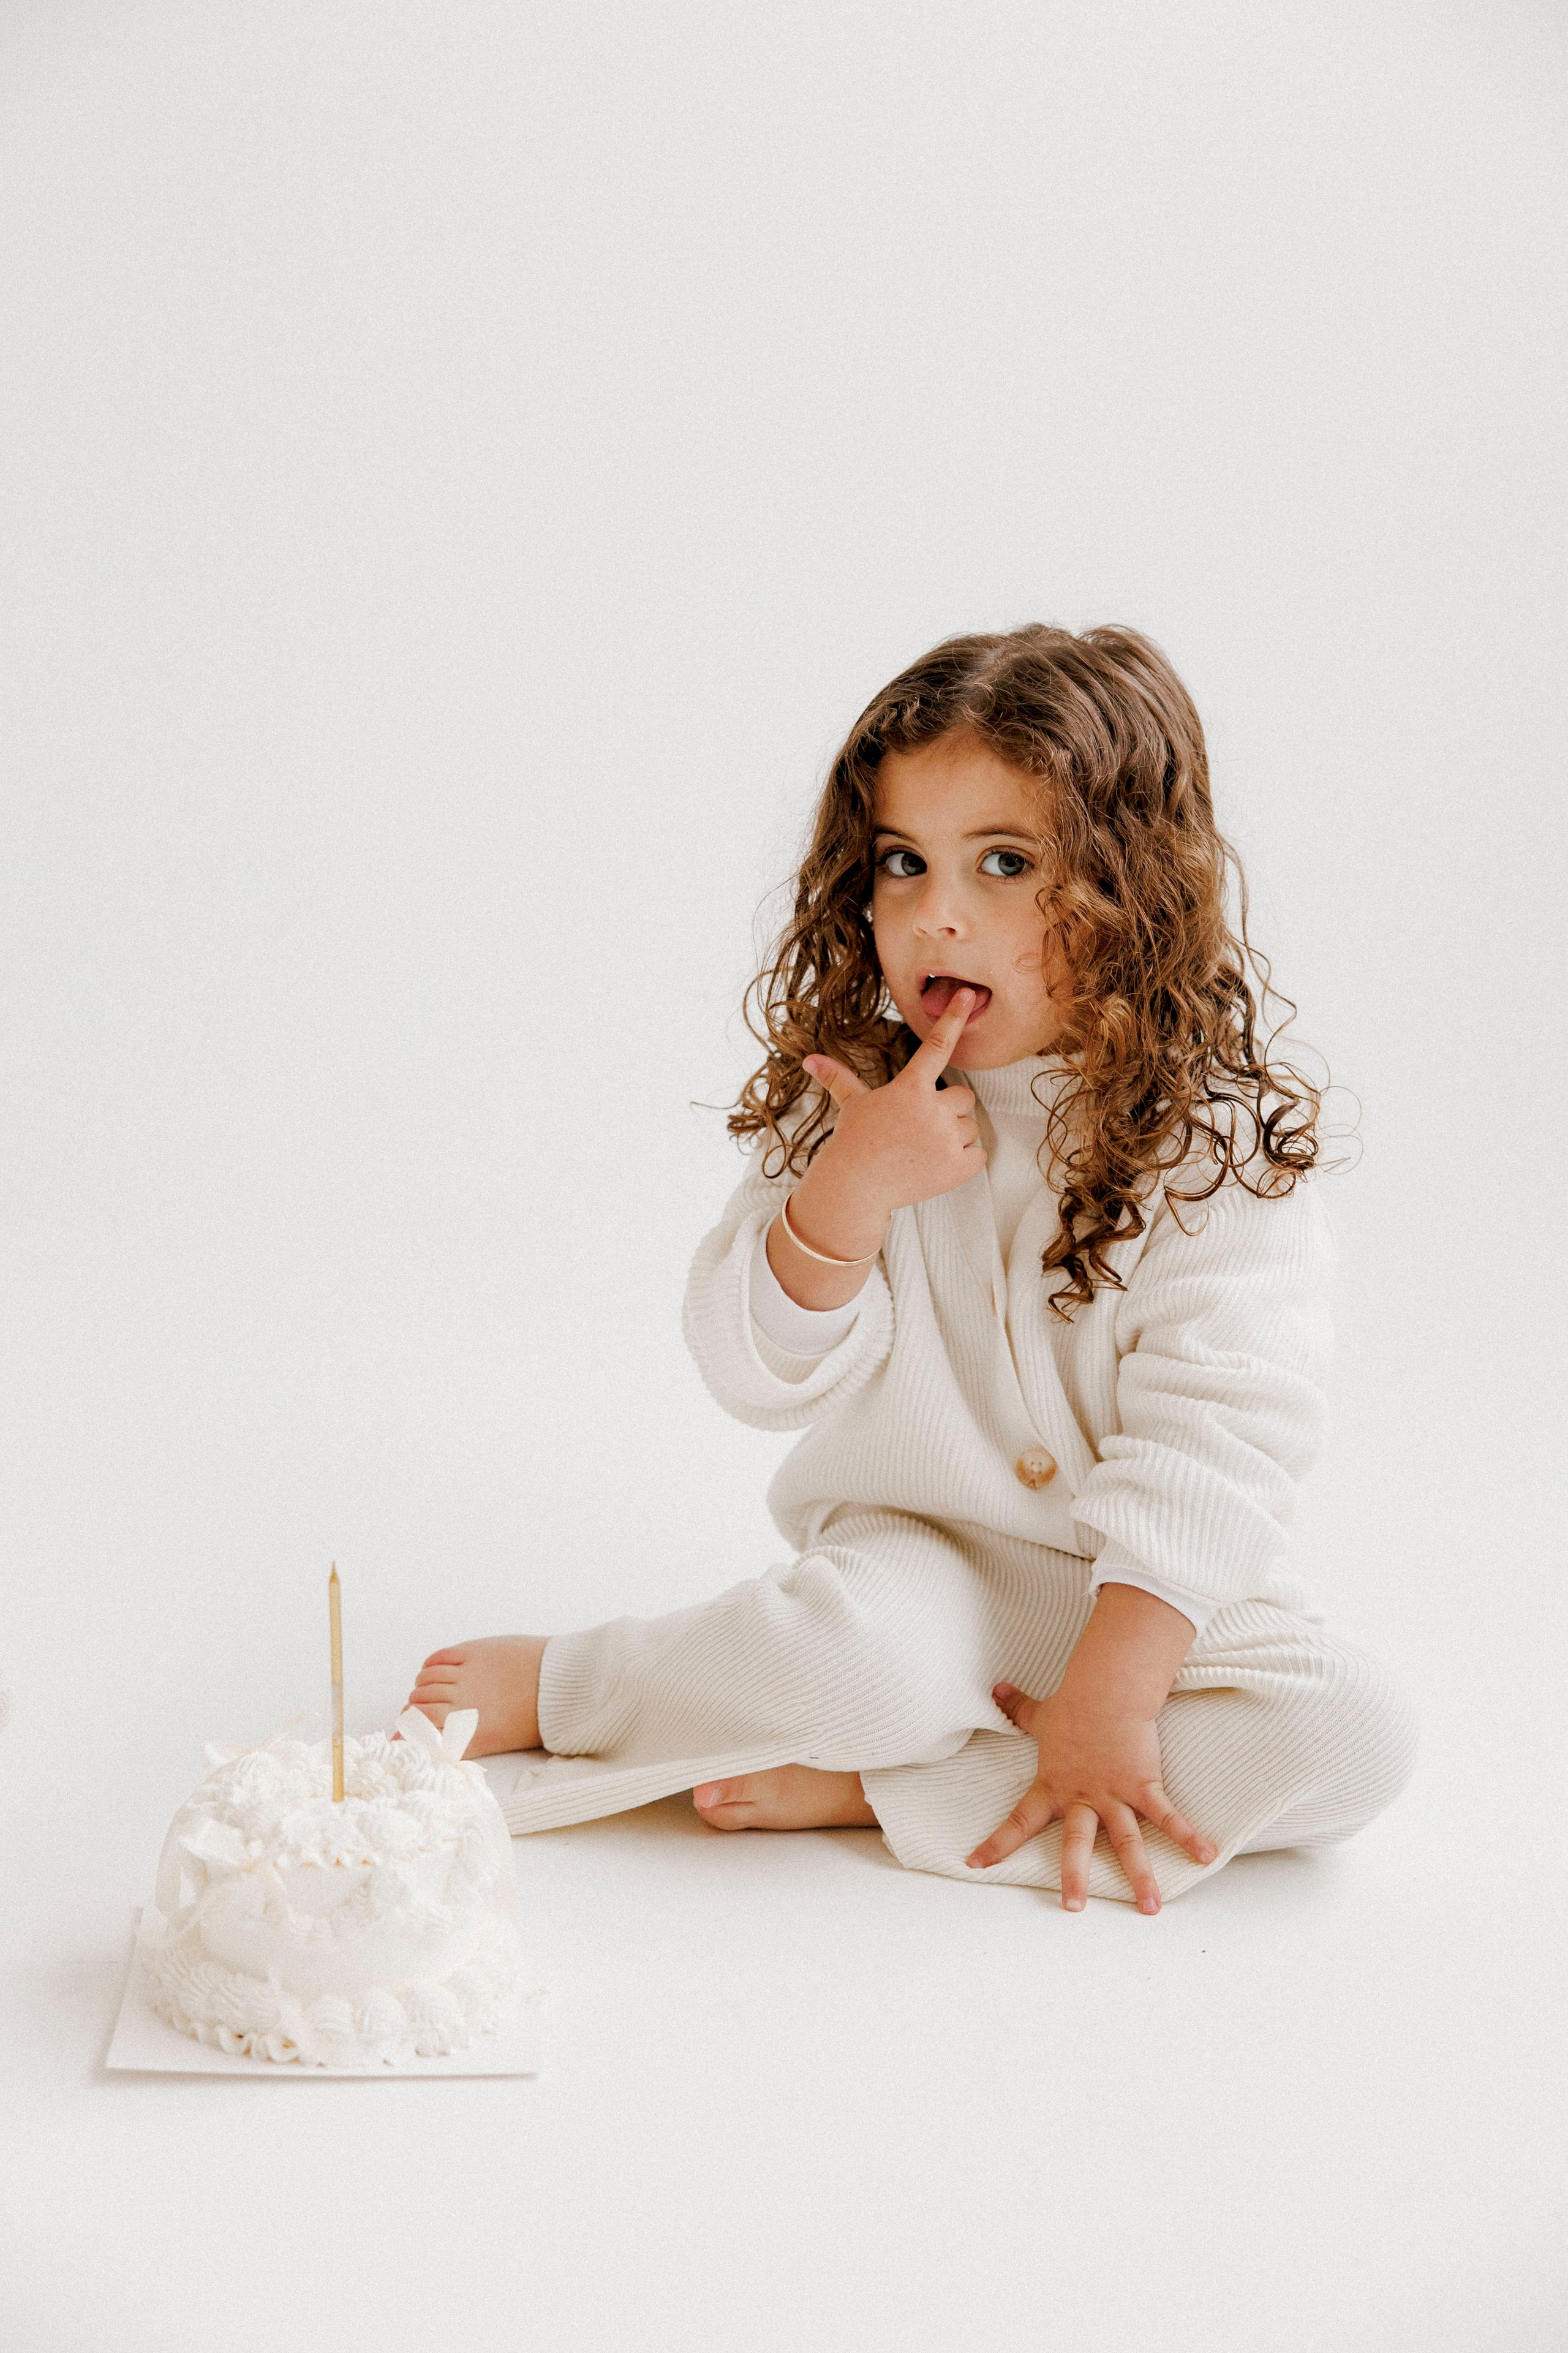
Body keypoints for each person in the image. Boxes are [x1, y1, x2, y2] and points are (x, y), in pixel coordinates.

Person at [406, 624, 1416, 1913]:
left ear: (1129, 891)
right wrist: (849, 1192)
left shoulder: (1206, 1143)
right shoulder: (855, 1101)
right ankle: (581, 1683)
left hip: (1152, 1592)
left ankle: (889, 1788)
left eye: (1004, 864)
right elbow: (750, 1371)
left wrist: (1112, 1685)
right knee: (851, 1665)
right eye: (902, 863)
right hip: (920, 1568)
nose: (935, 912)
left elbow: (1225, 1429)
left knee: (1352, 1737)